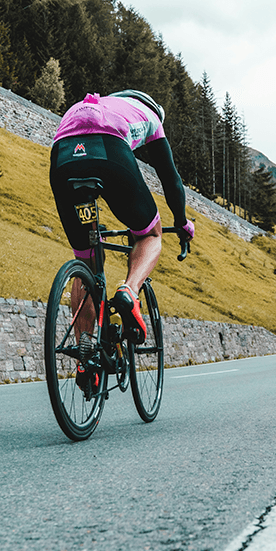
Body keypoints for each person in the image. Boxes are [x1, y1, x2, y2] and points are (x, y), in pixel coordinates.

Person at [49, 90, 194, 374]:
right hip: (109, 149)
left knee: (86, 261)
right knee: (149, 234)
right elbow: (171, 179)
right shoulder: (151, 116)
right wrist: (182, 222)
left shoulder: (100, 104)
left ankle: (85, 360)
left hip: (63, 156)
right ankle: (129, 292)